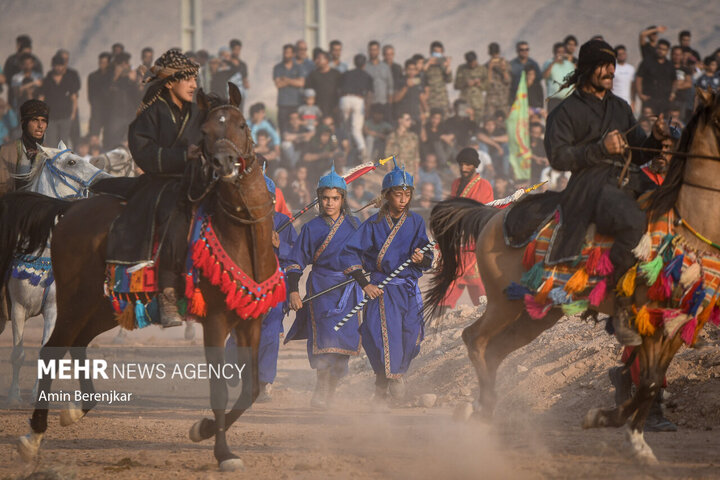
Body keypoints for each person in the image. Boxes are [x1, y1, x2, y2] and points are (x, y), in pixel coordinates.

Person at [543, 40, 668, 345]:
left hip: (628, 177)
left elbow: (638, 152)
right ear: (586, 68)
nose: (611, 70)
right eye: (603, 64)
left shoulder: (620, 106)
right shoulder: (565, 110)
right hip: (589, 186)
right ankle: (620, 308)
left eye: (612, 64)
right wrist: (600, 149)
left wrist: (655, 139)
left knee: (669, 206)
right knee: (632, 221)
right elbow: (558, 157)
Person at [106, 49, 203, 328]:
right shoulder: (150, 114)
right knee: (176, 219)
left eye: (195, 79)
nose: (194, 85)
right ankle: (168, 294)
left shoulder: (197, 113)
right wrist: (184, 156)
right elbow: (143, 152)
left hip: (194, 181)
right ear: (170, 82)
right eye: (188, 79)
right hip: (160, 184)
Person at [339, 161, 433, 406]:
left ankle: (388, 378)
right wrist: (364, 284)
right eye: (398, 194)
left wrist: (421, 257)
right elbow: (349, 253)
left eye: (408, 194)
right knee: (385, 336)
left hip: (408, 288)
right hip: (382, 290)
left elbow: (427, 254)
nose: (403, 199)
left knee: (412, 335)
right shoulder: (373, 224)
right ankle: (392, 379)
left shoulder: (416, 222)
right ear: (387, 195)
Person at [285, 167, 363, 409]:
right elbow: (296, 261)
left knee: (344, 346)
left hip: (349, 290)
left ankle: (330, 392)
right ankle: (320, 388)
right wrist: (293, 290)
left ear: (343, 199)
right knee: (325, 342)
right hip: (321, 288)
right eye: (325, 198)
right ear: (319, 199)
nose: (330, 203)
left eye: (335, 198)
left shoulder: (355, 224)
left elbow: (368, 254)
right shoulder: (310, 228)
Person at [255, 174, 298, 401]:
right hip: (245, 288)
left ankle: (264, 383)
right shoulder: (240, 222)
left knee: (270, 335)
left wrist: (279, 245)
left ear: (273, 200)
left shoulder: (283, 223)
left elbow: (295, 256)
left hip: (274, 288)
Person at [438, 148, 493, 313]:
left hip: (473, 242)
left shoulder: (484, 185)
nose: (464, 168)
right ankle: (438, 319)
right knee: (448, 284)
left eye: (468, 164)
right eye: (462, 164)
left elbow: (485, 213)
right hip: (456, 242)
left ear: (475, 166)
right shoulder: (456, 183)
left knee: (479, 287)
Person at [0, 99, 48, 194]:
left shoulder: (49, 155)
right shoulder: (5, 152)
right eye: (35, 120)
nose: (40, 125)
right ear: (24, 123)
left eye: (44, 121)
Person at [39, 53, 80, 148]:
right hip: (51, 117)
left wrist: (73, 114)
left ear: (63, 66)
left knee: (64, 142)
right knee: (51, 142)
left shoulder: (69, 79)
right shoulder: (47, 80)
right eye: (56, 66)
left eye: (60, 66)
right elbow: (41, 97)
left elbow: (74, 98)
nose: (58, 68)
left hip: (65, 116)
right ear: (53, 66)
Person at [338, 54, 374, 159]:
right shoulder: (367, 75)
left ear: (354, 62)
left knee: (345, 129)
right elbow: (370, 94)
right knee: (356, 130)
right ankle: (363, 153)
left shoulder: (346, 74)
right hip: (358, 99)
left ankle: (346, 155)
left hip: (344, 99)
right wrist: (367, 108)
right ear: (364, 64)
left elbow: (339, 90)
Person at [104, 52, 138, 148]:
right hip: (115, 116)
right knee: (113, 144)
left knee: (132, 143)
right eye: (121, 64)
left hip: (130, 115)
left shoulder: (131, 78)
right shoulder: (108, 77)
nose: (124, 66)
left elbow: (138, 98)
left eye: (126, 63)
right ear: (116, 65)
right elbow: (106, 96)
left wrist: (133, 82)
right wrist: (115, 77)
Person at [636, 39, 676, 115]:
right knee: (647, 122)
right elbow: (639, 78)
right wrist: (640, 94)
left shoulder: (670, 65)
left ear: (667, 51)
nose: (661, 51)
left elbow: (674, 80)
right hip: (649, 98)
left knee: (662, 123)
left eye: (664, 49)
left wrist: (673, 93)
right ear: (656, 48)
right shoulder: (647, 62)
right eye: (659, 48)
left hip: (665, 100)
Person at [3, 35, 43, 109]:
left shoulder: (35, 61)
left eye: (19, 45)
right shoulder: (11, 60)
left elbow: (40, 81)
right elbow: (8, 79)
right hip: (15, 99)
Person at [273, 44, 305, 135]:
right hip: (283, 103)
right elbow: (278, 84)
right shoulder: (278, 67)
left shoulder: (298, 67)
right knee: (283, 128)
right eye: (284, 52)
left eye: (288, 52)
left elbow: (301, 83)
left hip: (295, 103)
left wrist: (286, 80)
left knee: (295, 128)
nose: (286, 55)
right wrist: (294, 81)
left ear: (293, 54)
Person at [305, 50, 342, 118]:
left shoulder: (336, 74)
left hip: (333, 109)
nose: (317, 61)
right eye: (316, 58)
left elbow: (341, 90)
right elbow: (308, 92)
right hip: (317, 110)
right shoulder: (312, 75)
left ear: (327, 60)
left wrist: (337, 106)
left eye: (319, 58)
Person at [454, 51, 488, 122]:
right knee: (463, 123)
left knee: (477, 124)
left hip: (478, 103)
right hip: (464, 102)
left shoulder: (482, 69)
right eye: (470, 63)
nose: (472, 64)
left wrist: (479, 84)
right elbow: (456, 85)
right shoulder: (461, 68)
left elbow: (487, 87)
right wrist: (465, 83)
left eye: (474, 62)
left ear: (476, 60)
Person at [385, 112, 420, 178]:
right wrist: (389, 171)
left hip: (410, 171)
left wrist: (417, 173)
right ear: (400, 120)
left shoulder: (413, 137)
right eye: (407, 119)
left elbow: (416, 156)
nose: (410, 122)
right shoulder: (392, 136)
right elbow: (388, 155)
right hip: (396, 171)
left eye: (410, 120)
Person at [365, 40, 394, 121]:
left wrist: (389, 104)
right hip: (370, 105)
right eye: (371, 49)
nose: (373, 52)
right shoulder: (365, 67)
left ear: (378, 51)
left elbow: (390, 86)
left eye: (375, 49)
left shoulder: (385, 67)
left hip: (384, 104)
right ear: (368, 51)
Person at [87, 52, 112, 142]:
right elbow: (91, 95)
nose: (102, 65)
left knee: (108, 137)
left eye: (105, 62)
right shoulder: (93, 76)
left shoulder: (112, 77)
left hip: (110, 111)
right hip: (97, 110)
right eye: (101, 62)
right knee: (94, 136)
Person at [543, 42, 575, 112]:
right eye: (558, 52)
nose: (560, 54)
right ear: (554, 52)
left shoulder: (569, 64)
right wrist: (553, 63)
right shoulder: (549, 63)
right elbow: (545, 76)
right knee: (554, 121)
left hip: (568, 100)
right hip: (554, 100)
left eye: (562, 52)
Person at [509, 41, 542, 108]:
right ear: (517, 51)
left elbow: (538, 80)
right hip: (517, 98)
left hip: (532, 98)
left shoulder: (533, 64)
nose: (524, 52)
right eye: (522, 50)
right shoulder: (512, 65)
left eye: (527, 49)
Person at [423, 41, 452, 113]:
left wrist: (448, 66)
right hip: (430, 99)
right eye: (435, 52)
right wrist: (428, 63)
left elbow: (449, 80)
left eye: (440, 52)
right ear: (431, 52)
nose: (437, 54)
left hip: (442, 99)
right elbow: (421, 76)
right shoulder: (425, 62)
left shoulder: (443, 63)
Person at [485, 43, 511, 117]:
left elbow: (508, 81)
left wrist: (503, 70)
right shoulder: (486, 66)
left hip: (503, 99)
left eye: (496, 53)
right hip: (491, 100)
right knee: (490, 120)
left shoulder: (506, 64)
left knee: (504, 121)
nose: (495, 55)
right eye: (493, 53)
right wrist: (490, 69)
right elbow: (487, 84)